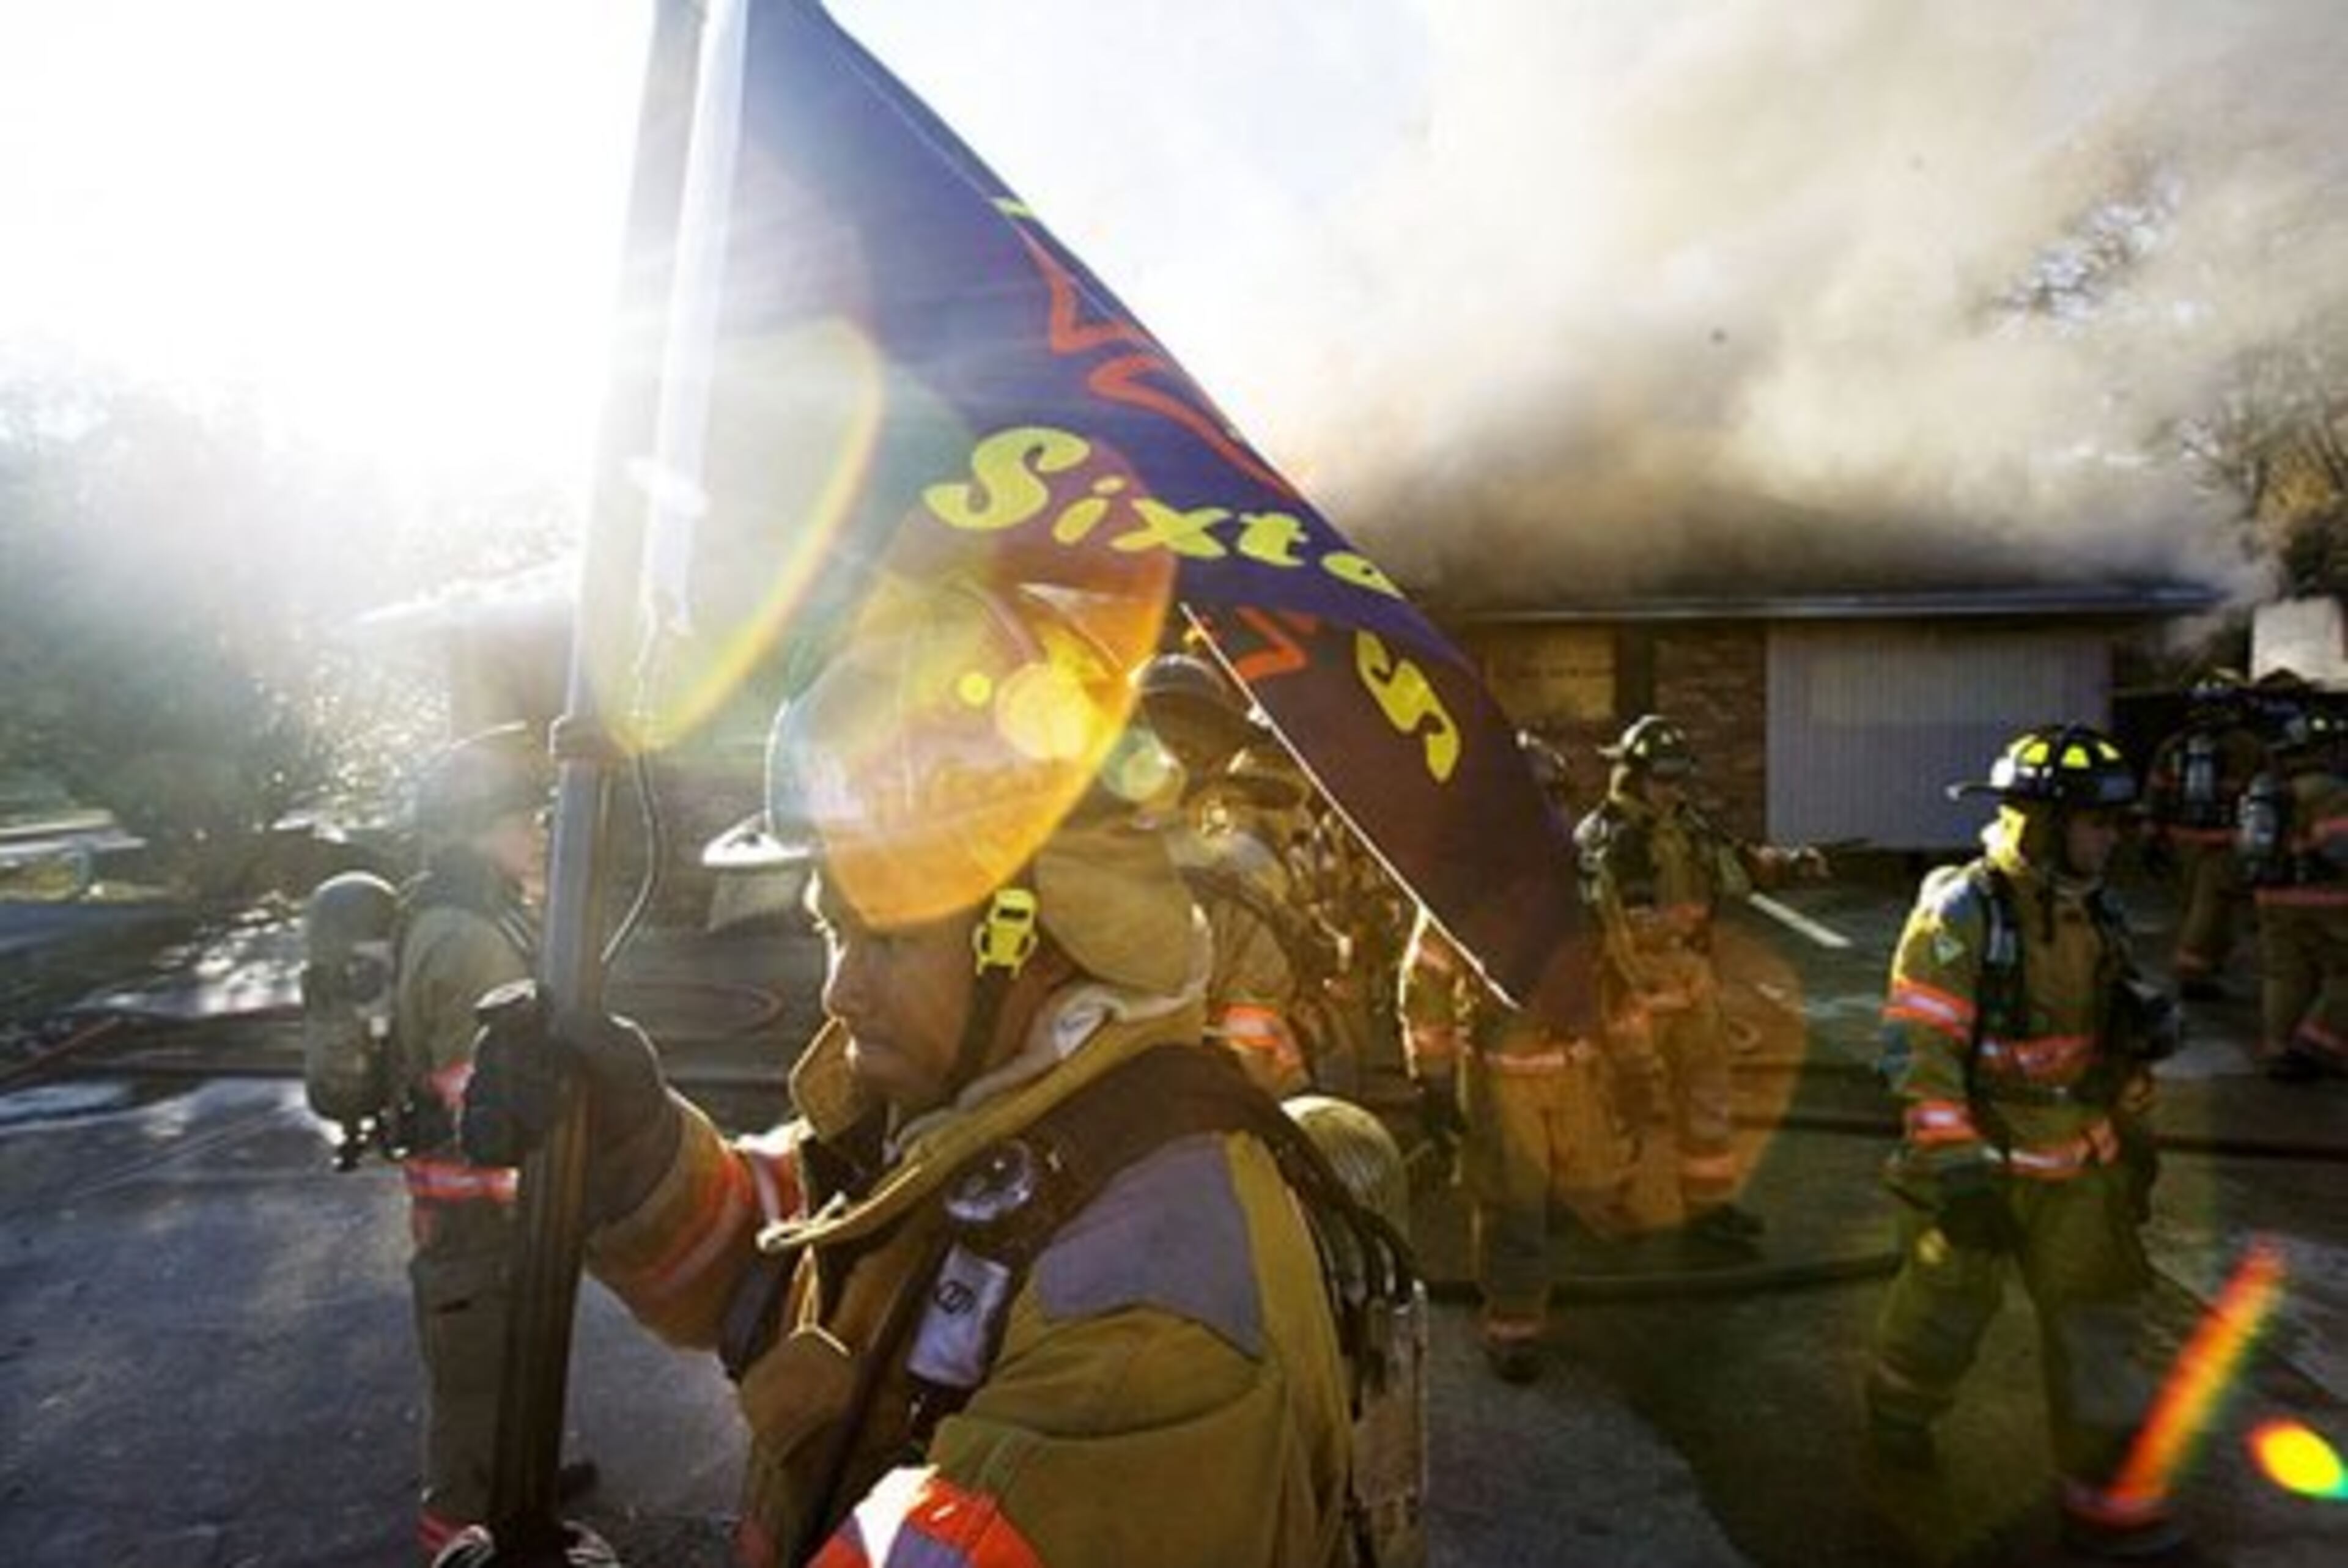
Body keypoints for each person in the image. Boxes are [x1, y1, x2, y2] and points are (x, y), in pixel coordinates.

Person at [460, 580, 1388, 1568]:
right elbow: (795, 1269)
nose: (840, 993)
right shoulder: (981, 1120)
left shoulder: (1151, 1316)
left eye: (890, 940)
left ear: (1041, 938)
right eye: (832, 930)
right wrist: (635, 1149)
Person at [1867, 725, 2184, 1559]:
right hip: (1977, 1163)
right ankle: (1898, 1409)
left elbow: (2100, 1042)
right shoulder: (1963, 912)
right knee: (1943, 1313)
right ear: (2043, 824)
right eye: (2098, 821)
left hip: (2078, 1164)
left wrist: (2141, 1049)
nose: (2114, 836)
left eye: (2116, 822)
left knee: (2100, 1327)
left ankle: (2106, 1506)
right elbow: (1917, 1049)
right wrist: (1958, 1173)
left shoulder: (2096, 909)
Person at [393, 723, 585, 1560]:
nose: (540, 829)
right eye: (525, 814)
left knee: (502, 1371)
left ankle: (521, 1486)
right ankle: (459, 1540)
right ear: (477, 824)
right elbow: (485, 1108)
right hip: (474, 1224)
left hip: (467, 1215)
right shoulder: (469, 938)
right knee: (472, 1404)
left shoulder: (455, 912)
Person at [1399, 731, 1630, 1383]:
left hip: (1579, 1070)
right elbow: (1426, 986)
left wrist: (1630, 1058)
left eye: (1551, 800)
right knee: (1512, 1207)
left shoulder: (1586, 874)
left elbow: (1618, 967)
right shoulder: (1461, 889)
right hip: (1504, 1081)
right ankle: (1514, 1329)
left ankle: (1530, 1292)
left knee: (1567, 1199)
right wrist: (1436, 1081)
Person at [1573, 714, 1825, 1251]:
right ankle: (1606, 1208)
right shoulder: (1608, 836)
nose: (1674, 789)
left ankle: (1708, 1207)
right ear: (1634, 775)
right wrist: (1683, 917)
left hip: (1694, 988)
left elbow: (1738, 860)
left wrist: (1790, 865)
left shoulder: (1686, 825)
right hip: (1632, 992)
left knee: (1708, 1099)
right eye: (1663, 779)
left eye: (1680, 778)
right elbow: (1619, 921)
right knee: (1625, 1104)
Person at [2237, 701, 2348, 1082]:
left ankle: (2280, 1051)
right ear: (2326, 750)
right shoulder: (2332, 791)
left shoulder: (2270, 790)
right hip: (2328, 899)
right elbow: (2341, 848)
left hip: (2272, 895)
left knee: (2285, 976)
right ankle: (2316, 1047)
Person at [2141, 669, 2269, 999]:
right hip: (2224, 842)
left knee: (2194, 906)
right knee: (2212, 909)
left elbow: (2156, 795)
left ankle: (2204, 967)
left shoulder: (2173, 747)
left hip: (2180, 841)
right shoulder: (2248, 746)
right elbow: (2266, 796)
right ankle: (2192, 975)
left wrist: (2151, 838)